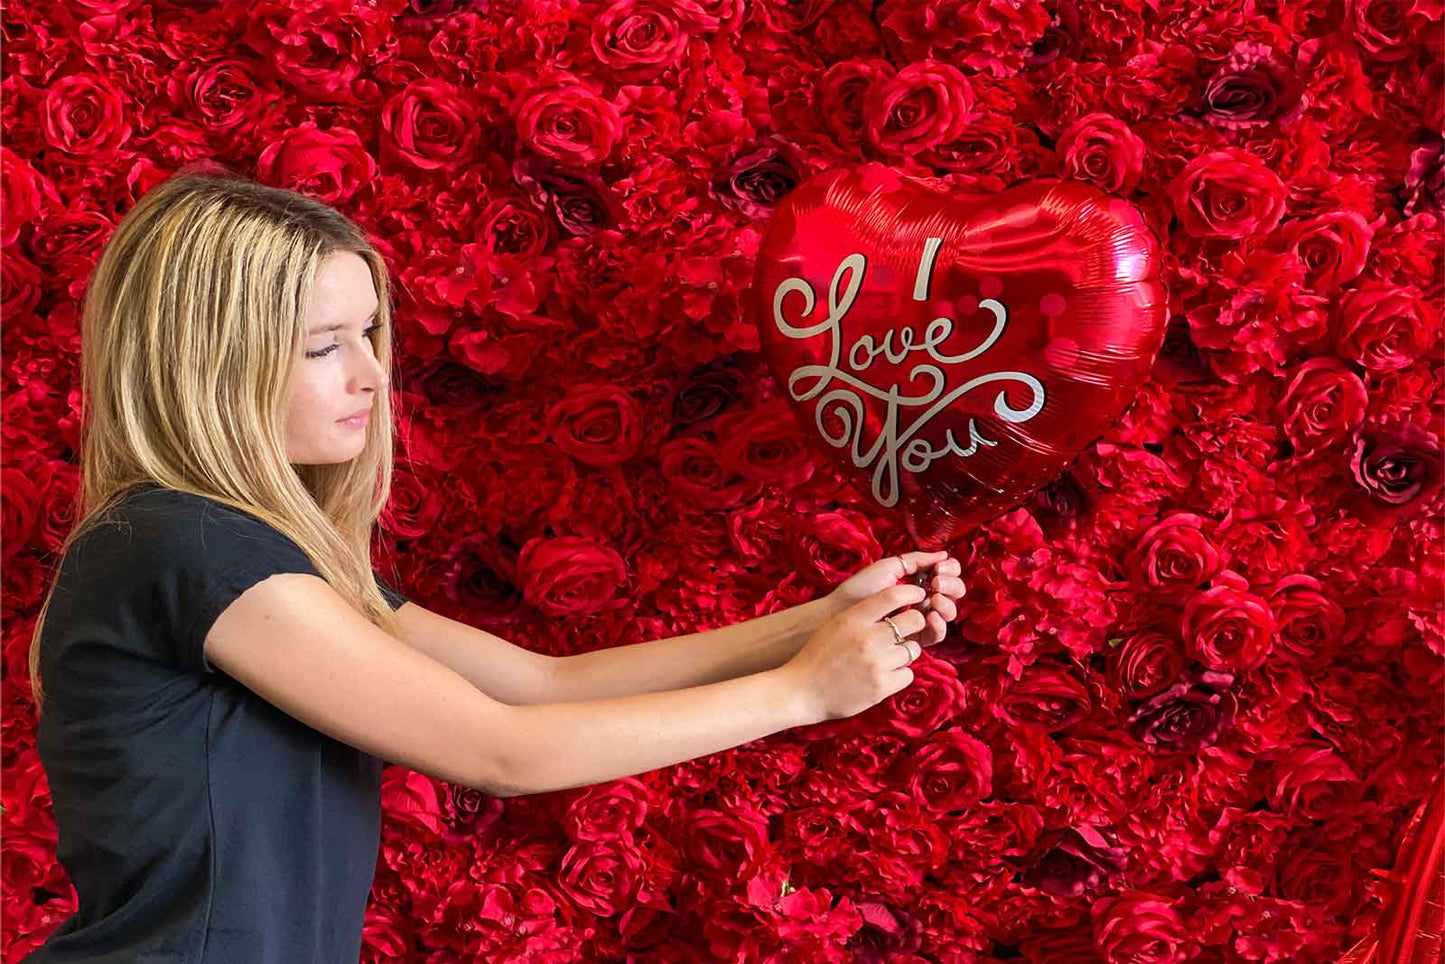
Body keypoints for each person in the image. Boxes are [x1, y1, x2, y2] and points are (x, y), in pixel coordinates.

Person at [23, 168, 943, 962]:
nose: (371, 374)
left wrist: (815, 622)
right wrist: (801, 692)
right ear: (209, 364)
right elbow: (502, 751)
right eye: (323, 346)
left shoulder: (255, 554)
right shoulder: (186, 548)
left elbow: (542, 684)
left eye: (369, 333)